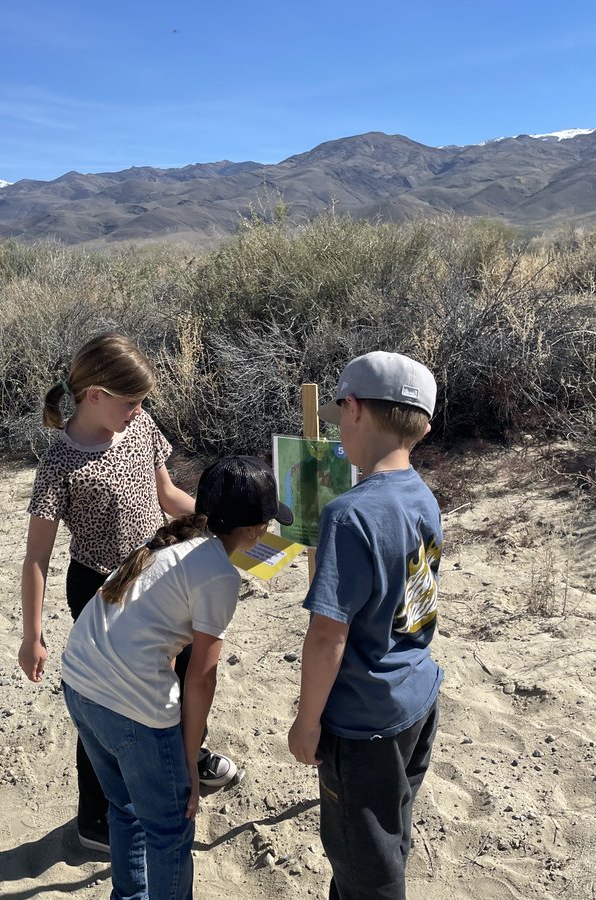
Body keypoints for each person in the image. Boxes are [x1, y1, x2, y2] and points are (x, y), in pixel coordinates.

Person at [19, 332, 239, 853]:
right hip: (100, 589)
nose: (139, 411)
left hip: (159, 574)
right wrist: (32, 635)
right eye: (131, 401)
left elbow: (167, 496)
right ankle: (95, 816)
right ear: (94, 395)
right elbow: (36, 557)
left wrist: (223, 525)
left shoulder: (139, 425)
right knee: (108, 698)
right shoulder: (59, 462)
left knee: (183, 669)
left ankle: (190, 754)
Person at [62, 456, 293, 900]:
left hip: (79, 682)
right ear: (254, 529)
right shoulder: (219, 574)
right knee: (171, 827)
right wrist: (191, 758)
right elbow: (202, 676)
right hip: (130, 707)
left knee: (124, 807)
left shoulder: (174, 540)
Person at [287, 351, 444, 900]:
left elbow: (328, 635)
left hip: (362, 724)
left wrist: (308, 724)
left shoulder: (348, 514)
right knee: (386, 837)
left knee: (367, 871)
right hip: (416, 699)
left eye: (339, 420)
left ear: (352, 409)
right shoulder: (421, 495)